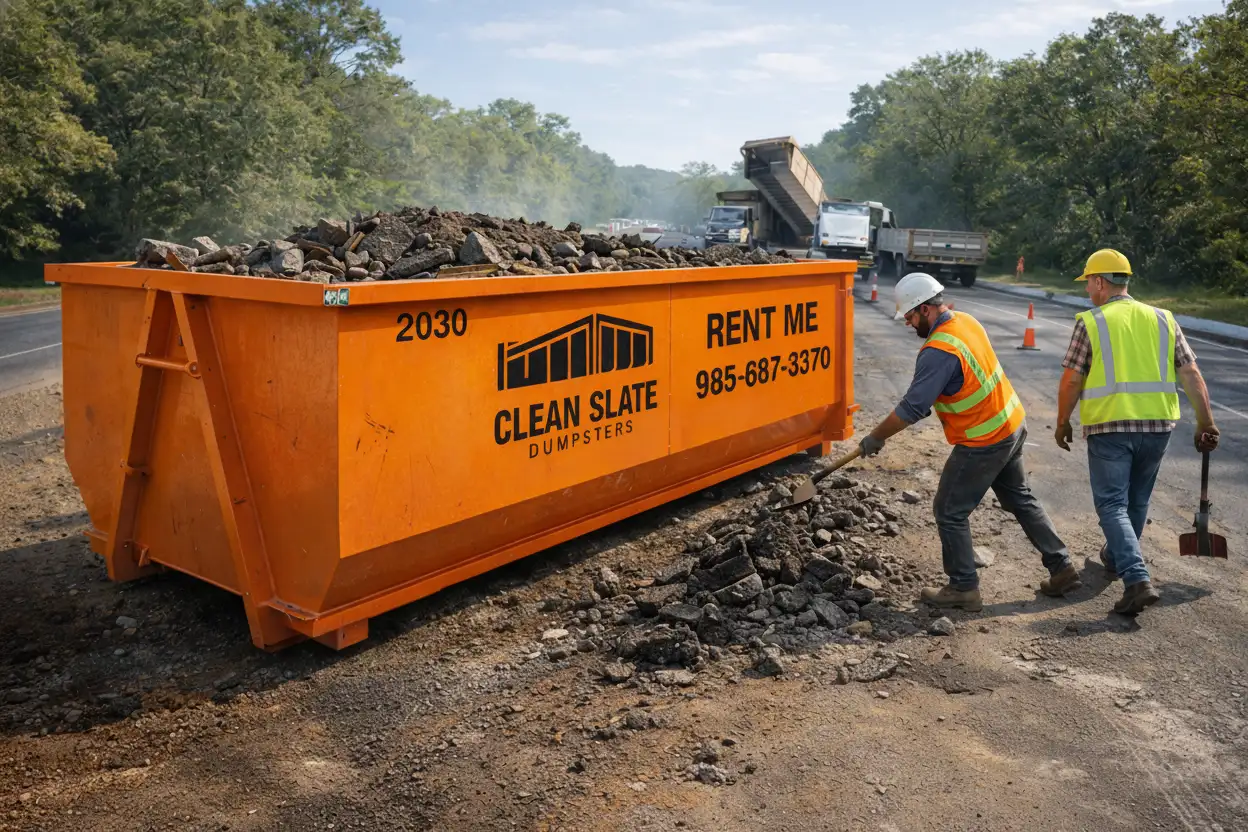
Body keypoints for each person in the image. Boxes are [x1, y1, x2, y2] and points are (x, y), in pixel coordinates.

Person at [858, 273, 1077, 611]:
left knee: (949, 510)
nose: (907, 323)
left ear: (926, 310)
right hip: (1011, 425)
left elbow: (913, 407)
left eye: (910, 316)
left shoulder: (938, 350)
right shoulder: (965, 321)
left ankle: (963, 587)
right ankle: (1061, 566)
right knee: (1020, 498)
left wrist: (875, 437)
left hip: (984, 438)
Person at [1054, 249, 1220, 615]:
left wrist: (1063, 420)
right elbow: (1190, 372)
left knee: (1112, 504)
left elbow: (1072, 379)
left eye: (1088, 284)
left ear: (1100, 282)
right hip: (1157, 426)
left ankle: (1136, 577)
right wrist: (1205, 422)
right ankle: (1115, 557)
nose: (1087, 293)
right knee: (1137, 501)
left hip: (1110, 427)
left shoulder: (1091, 321)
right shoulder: (1162, 318)